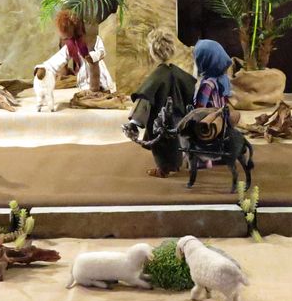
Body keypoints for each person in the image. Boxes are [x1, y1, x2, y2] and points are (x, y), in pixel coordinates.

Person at [124, 29, 196, 177]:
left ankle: (163, 169)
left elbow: (144, 99)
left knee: (162, 144)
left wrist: (134, 122)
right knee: (178, 142)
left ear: (153, 51)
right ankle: (178, 164)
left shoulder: (156, 76)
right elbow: (191, 90)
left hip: (161, 120)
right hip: (181, 118)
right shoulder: (180, 73)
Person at [51, 10, 116, 94]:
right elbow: (61, 57)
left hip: (99, 73)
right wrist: (46, 67)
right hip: (84, 75)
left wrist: (93, 56)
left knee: (101, 87)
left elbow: (102, 52)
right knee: (85, 89)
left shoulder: (93, 38)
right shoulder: (71, 44)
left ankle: (97, 90)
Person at [192, 39, 233, 109]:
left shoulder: (207, 85)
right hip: (220, 113)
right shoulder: (224, 78)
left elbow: (200, 108)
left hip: (209, 115)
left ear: (203, 60)